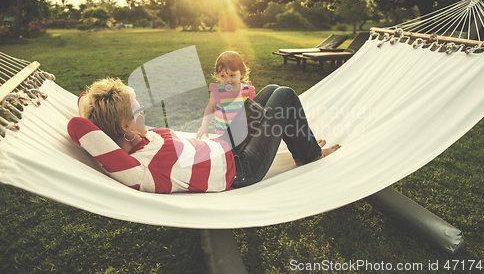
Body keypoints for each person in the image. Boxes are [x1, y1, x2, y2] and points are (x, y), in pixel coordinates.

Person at [68, 77, 340, 193]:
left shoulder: (137, 135)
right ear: (124, 126)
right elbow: (80, 128)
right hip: (241, 169)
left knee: (270, 90)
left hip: (224, 146)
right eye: (138, 108)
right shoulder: (140, 168)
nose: (145, 111)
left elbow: (85, 106)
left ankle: (302, 146)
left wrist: (91, 102)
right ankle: (310, 155)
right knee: (284, 96)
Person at [197, 51, 255, 139]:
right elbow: (209, 108)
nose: (228, 80)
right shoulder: (218, 92)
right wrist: (204, 126)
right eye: (223, 76)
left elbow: (253, 113)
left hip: (243, 136)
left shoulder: (247, 91)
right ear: (218, 75)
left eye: (232, 75)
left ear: (242, 74)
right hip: (224, 136)